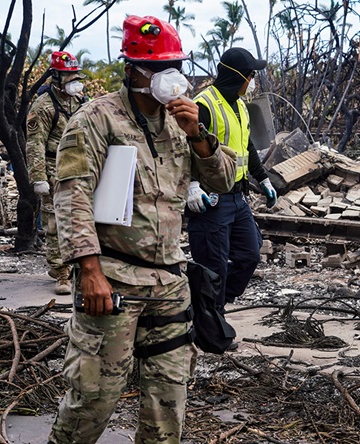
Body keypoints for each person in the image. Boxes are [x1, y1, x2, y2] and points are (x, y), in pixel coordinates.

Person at [48, 15, 236, 444]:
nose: (172, 77)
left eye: (177, 66)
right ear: (132, 70)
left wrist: (199, 135)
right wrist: (88, 270)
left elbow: (225, 181)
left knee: (168, 402)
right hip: (113, 281)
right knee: (94, 395)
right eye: (160, 68)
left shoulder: (182, 122)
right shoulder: (96, 120)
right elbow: (72, 195)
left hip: (169, 281)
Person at [187, 47, 277, 318]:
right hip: (211, 199)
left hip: (238, 198)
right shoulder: (203, 105)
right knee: (214, 266)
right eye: (250, 75)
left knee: (250, 255)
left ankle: (208, 306)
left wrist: (263, 178)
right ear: (239, 76)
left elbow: (246, 145)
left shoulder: (239, 105)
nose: (252, 80)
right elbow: (183, 149)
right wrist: (191, 185)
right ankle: (213, 323)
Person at [26, 50, 87, 295]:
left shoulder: (81, 101)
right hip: (53, 168)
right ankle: (61, 271)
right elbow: (35, 144)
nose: (74, 80)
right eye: (69, 76)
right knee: (55, 223)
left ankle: (75, 266)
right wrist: (39, 177)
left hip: (80, 166)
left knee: (80, 219)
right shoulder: (43, 105)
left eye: (75, 75)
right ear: (56, 76)